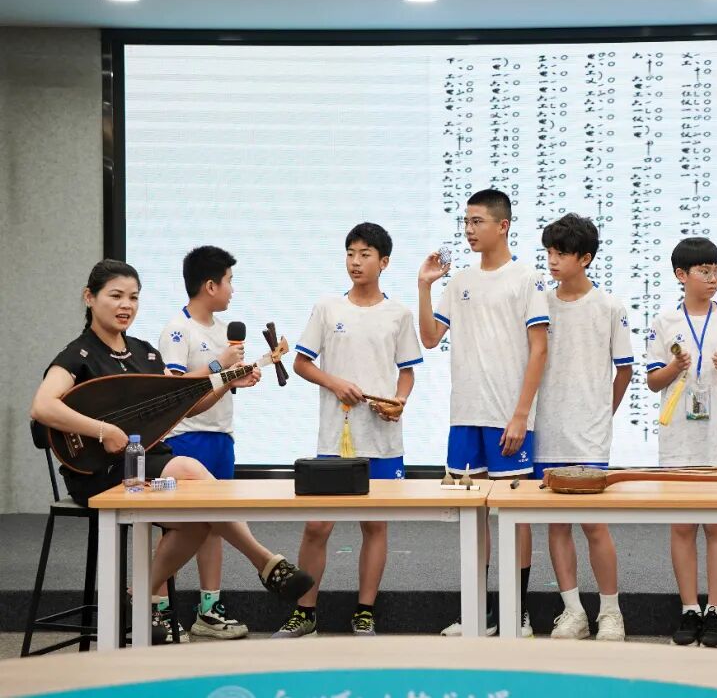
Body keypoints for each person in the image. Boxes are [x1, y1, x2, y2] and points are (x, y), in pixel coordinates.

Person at [30, 259, 314, 644]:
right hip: (98, 473)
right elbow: (43, 406)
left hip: (145, 466)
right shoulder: (78, 355)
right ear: (89, 298)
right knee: (191, 471)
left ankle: (138, 595)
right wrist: (102, 429)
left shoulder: (144, 354)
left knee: (197, 518)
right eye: (115, 296)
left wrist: (227, 383)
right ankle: (264, 560)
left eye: (133, 297)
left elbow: (184, 407)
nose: (126, 305)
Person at [272, 222, 422, 639]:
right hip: (334, 439)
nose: (356, 262)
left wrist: (399, 401)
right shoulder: (328, 307)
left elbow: (408, 372)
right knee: (317, 525)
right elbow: (301, 363)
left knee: (375, 525)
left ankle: (365, 611)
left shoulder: (399, 313)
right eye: (351, 253)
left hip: (382, 439)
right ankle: (305, 612)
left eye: (365, 254)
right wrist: (335, 383)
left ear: (383, 262)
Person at [418, 189, 548, 636]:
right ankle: (478, 613)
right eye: (466, 222)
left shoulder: (527, 278)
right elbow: (430, 338)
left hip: (508, 415)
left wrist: (521, 414)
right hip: (466, 415)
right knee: (472, 513)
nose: (469, 230)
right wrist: (425, 285)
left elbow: (539, 349)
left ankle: (518, 610)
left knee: (516, 513)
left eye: (477, 222)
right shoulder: (460, 281)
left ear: (503, 225)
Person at [646, 237, 717, 649]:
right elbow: (653, 380)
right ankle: (689, 607)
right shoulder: (664, 321)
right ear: (681, 275)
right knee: (682, 523)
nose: (713, 279)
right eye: (704, 271)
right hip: (678, 438)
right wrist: (675, 366)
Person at [534, 213, 633, 641]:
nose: (552, 261)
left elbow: (624, 370)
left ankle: (611, 612)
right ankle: (573, 611)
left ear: (585, 258)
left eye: (561, 253)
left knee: (594, 523)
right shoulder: (539, 303)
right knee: (556, 523)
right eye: (549, 253)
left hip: (589, 434)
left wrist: (602, 414)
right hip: (547, 428)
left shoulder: (609, 307)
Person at [158, 245, 249, 640]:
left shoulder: (221, 331)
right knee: (173, 528)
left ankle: (209, 610)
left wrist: (237, 377)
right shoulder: (178, 330)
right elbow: (175, 388)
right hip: (184, 440)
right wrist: (220, 365)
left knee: (216, 524)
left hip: (220, 437)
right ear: (210, 285)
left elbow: (216, 383)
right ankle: (158, 610)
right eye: (229, 281)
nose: (232, 289)